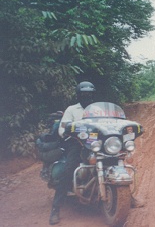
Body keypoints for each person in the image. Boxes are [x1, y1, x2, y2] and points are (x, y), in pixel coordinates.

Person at [49, 81, 95, 225]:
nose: (86, 97)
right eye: (83, 94)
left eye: (89, 94)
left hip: (94, 143)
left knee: (113, 159)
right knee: (69, 169)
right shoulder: (72, 109)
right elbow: (62, 129)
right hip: (76, 143)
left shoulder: (97, 109)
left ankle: (127, 196)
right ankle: (55, 209)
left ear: (93, 95)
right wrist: (72, 134)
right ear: (78, 95)